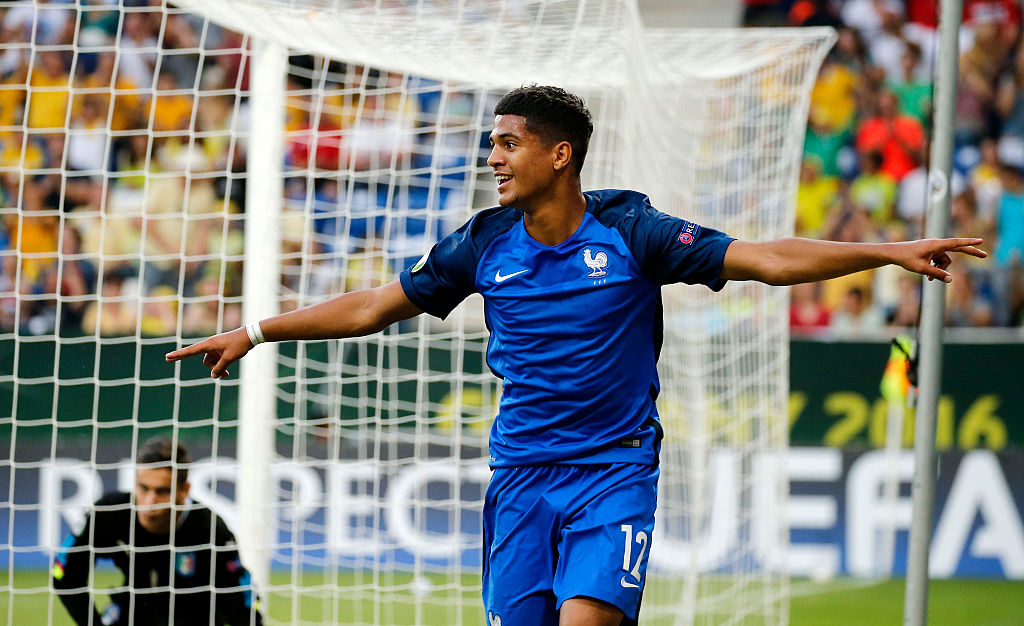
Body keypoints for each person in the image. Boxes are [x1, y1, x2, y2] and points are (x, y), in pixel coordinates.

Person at [166, 86, 986, 626]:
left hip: (612, 472)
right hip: (521, 476)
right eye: (491, 143)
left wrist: (888, 251)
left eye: (508, 143)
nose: (493, 157)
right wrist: (257, 331)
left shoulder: (634, 232)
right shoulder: (483, 243)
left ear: (559, 155)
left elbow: (766, 259)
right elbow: (377, 306)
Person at [52, 437, 262, 626]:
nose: (149, 502)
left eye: (162, 491)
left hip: (194, 617)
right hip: (131, 614)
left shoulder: (210, 531)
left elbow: (241, 599)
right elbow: (64, 573)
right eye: (143, 488)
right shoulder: (110, 513)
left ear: (184, 491)